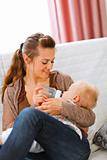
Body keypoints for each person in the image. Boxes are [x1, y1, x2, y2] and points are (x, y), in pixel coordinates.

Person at [0, 32, 96, 160]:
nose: (50, 66)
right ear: (27, 59)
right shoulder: (12, 92)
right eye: (45, 62)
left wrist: (62, 107)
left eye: (52, 61)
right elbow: (11, 136)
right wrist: (36, 108)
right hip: (36, 153)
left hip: (70, 149)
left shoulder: (62, 80)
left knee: (30, 114)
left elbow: (90, 118)